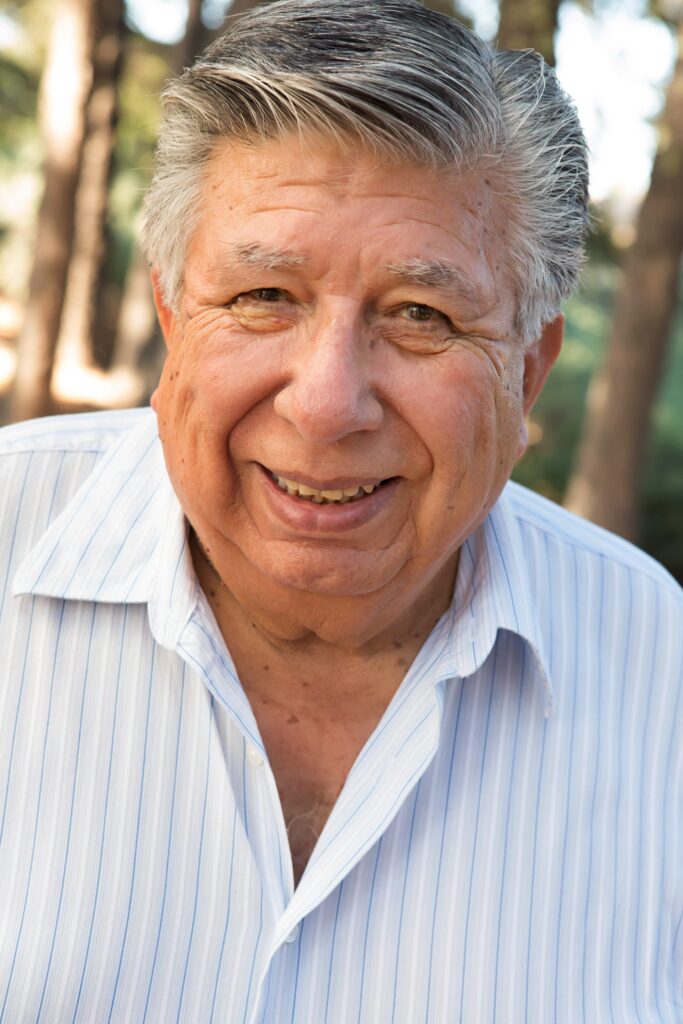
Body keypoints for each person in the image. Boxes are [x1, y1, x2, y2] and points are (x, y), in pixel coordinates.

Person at [0, 0, 681, 1020]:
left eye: (420, 315)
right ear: (173, 318)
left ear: (527, 375)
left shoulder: (660, 677)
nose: (324, 402)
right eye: (263, 296)